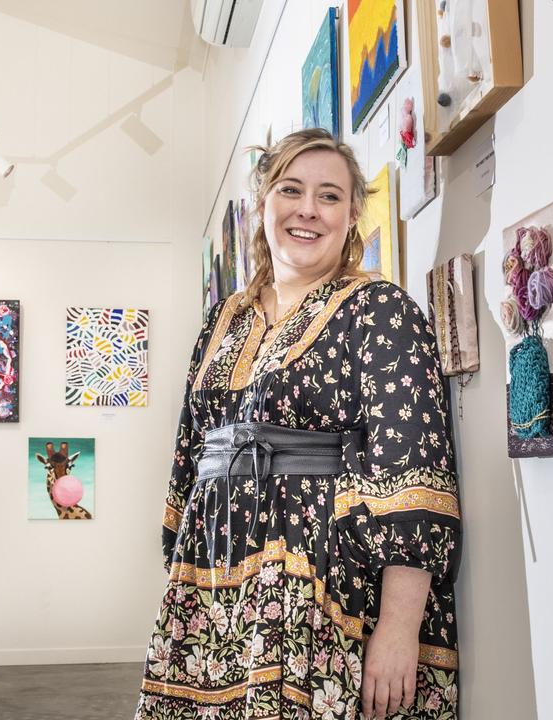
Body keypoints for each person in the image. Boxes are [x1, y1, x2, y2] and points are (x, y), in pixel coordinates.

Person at [136, 128, 461, 720]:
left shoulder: (381, 310)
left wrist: (397, 629)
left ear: (353, 213)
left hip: (324, 588)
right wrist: (180, 577)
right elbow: (189, 452)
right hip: (212, 583)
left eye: (330, 195)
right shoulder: (223, 320)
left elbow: (415, 478)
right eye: (291, 189)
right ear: (263, 203)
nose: (308, 209)